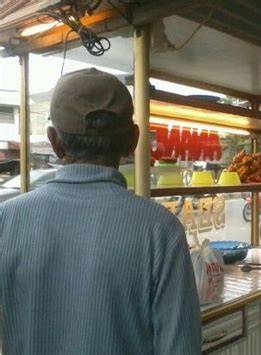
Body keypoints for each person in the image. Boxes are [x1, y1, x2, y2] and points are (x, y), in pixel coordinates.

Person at [0, 68, 202, 354]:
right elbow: (181, 347)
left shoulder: (7, 220)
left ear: (55, 142)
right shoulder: (160, 230)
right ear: (132, 141)